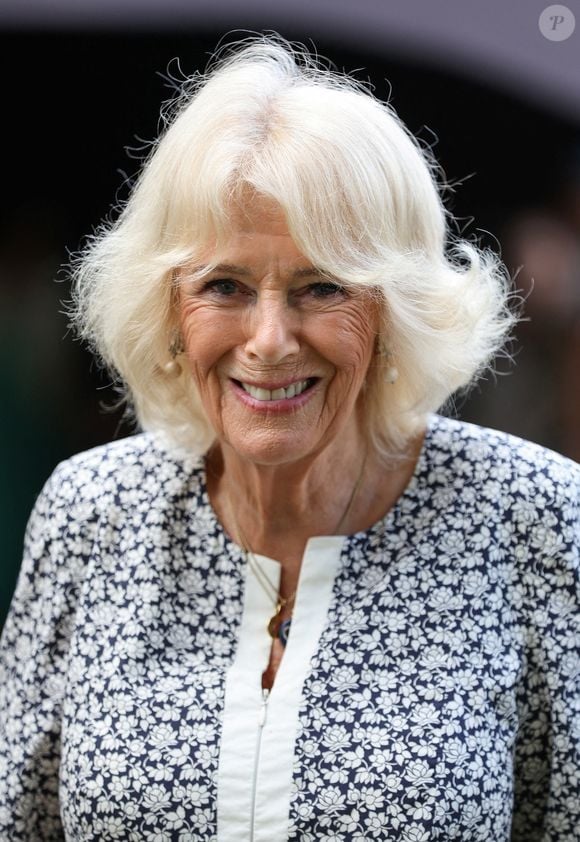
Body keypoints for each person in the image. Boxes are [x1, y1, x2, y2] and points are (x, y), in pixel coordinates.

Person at [0, 36, 578, 842]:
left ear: (391, 316)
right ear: (169, 309)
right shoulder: (91, 515)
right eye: (225, 287)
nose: (269, 340)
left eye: (321, 288)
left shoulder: (533, 519)